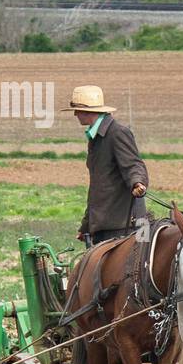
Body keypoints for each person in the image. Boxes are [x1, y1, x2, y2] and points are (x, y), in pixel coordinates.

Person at [62, 85, 149, 246]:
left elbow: (133, 165)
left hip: (124, 225)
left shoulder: (117, 133)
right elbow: (99, 187)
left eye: (77, 110)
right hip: (107, 225)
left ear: (89, 112)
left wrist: (138, 182)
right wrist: (87, 225)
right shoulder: (96, 137)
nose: (75, 114)